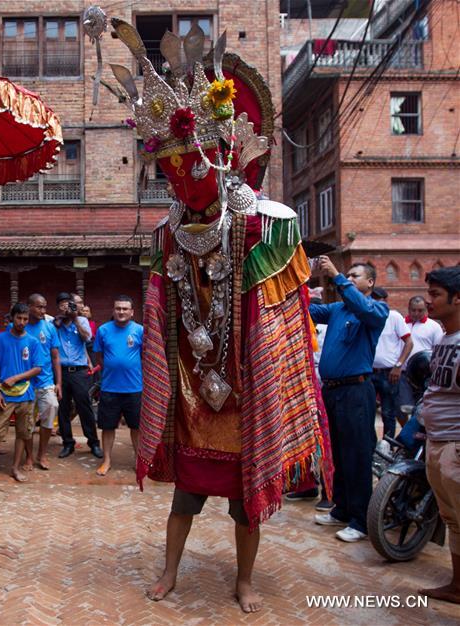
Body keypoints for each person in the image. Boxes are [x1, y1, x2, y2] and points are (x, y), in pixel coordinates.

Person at [97, 16, 334, 611]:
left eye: (193, 164)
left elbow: (281, 319)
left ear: (222, 158)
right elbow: (161, 308)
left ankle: (244, 581)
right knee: (184, 498)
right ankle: (170, 572)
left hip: (248, 387)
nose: (182, 178)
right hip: (193, 389)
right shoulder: (168, 231)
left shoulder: (267, 224)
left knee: (244, 502)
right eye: (170, 168)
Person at [311, 260, 389, 542]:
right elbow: (307, 310)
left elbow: (363, 308)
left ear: (370, 282)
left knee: (357, 454)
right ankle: (342, 509)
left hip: (356, 391)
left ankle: (361, 520)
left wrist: (337, 277)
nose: (349, 278)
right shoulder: (337, 309)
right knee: (339, 453)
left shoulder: (376, 310)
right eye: (348, 274)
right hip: (332, 391)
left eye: (356, 275)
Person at [415, 266, 460, 605]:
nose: (428, 301)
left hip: (455, 446)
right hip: (437, 440)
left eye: (435, 295)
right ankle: (458, 586)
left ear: (457, 299)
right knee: (452, 520)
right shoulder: (445, 339)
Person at [0, 303, 42, 486]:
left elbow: (37, 368)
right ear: (12, 318)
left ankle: (15, 468)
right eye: (19, 318)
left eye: (25, 319)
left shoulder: (33, 341)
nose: (22, 322)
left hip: (26, 394)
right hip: (4, 395)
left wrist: (16, 378)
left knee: (22, 433)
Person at [93, 295, 143, 476]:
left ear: (132, 312)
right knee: (107, 427)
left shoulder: (140, 330)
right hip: (110, 388)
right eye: (118, 308)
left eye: (125, 309)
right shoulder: (103, 330)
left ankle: (138, 460)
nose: (121, 312)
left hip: (134, 388)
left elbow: (145, 356)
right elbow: (99, 356)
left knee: (136, 427)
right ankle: (106, 460)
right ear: (113, 311)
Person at [54, 292, 102, 459]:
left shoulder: (82, 321)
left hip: (79, 372)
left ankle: (93, 443)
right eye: (63, 304)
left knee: (84, 407)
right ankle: (68, 443)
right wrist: (60, 321)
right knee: (63, 409)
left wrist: (74, 319)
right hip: (61, 372)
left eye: (69, 304)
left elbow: (87, 338)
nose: (67, 307)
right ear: (59, 307)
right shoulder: (55, 323)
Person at [370, 287, 413, 440]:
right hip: (369, 372)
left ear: (386, 301)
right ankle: (372, 446)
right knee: (368, 413)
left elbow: (409, 343)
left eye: (380, 300)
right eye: (374, 299)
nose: (377, 303)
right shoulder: (367, 316)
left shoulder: (394, 317)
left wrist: (398, 366)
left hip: (389, 373)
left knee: (388, 413)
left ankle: (387, 445)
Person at [25, 293, 62, 471]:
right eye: (39, 307)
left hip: (46, 381)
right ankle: (28, 456)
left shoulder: (49, 327)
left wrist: (58, 383)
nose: (43, 311)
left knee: (51, 410)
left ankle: (42, 454)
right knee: (27, 422)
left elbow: (55, 357)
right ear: (29, 307)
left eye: (44, 307)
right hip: (25, 383)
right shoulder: (19, 325)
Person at [401, 295, 445, 408]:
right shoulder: (401, 324)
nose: (416, 313)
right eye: (413, 310)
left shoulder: (434, 326)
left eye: (420, 310)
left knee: (422, 406)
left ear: (426, 309)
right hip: (402, 373)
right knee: (403, 407)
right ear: (408, 309)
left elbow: (439, 352)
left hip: (425, 375)